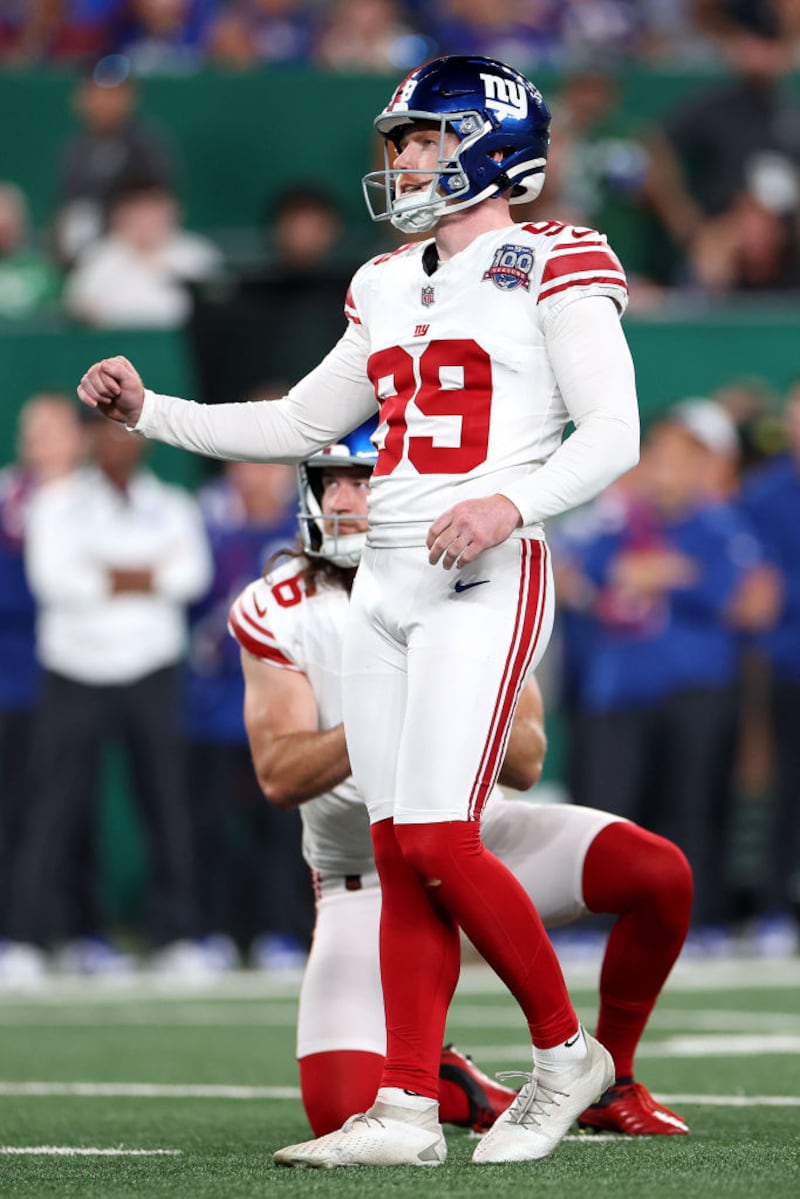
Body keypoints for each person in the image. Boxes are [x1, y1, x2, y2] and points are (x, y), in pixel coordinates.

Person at [77, 54, 640, 1168]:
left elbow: (611, 431)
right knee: (395, 847)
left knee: (433, 833)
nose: (405, 159)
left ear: (484, 143)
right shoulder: (384, 282)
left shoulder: (555, 257)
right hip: (383, 573)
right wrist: (153, 413)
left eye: (424, 137)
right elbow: (298, 421)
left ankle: (565, 1047)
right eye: (401, 142)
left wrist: (505, 502)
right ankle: (403, 1106)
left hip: (483, 572)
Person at [227, 422, 692, 1138]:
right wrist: (391, 702)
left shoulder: (479, 573)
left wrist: (451, 687)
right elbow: (279, 772)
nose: (346, 498)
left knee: (658, 874)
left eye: (366, 478)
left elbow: (529, 757)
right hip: (365, 881)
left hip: (477, 840)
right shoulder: (282, 606)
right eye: (333, 482)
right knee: (339, 1107)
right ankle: (452, 1080)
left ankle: (611, 1078)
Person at [3, 410, 213, 978]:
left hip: (151, 672)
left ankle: (176, 937)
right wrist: (145, 575)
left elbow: (191, 576)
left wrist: (106, 574)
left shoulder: (174, 505)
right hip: (74, 671)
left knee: (165, 806)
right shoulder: (56, 504)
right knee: (53, 810)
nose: (117, 442)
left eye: (127, 431)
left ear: (143, 442)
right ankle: (26, 939)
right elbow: (55, 581)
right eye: (105, 431)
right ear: (91, 439)